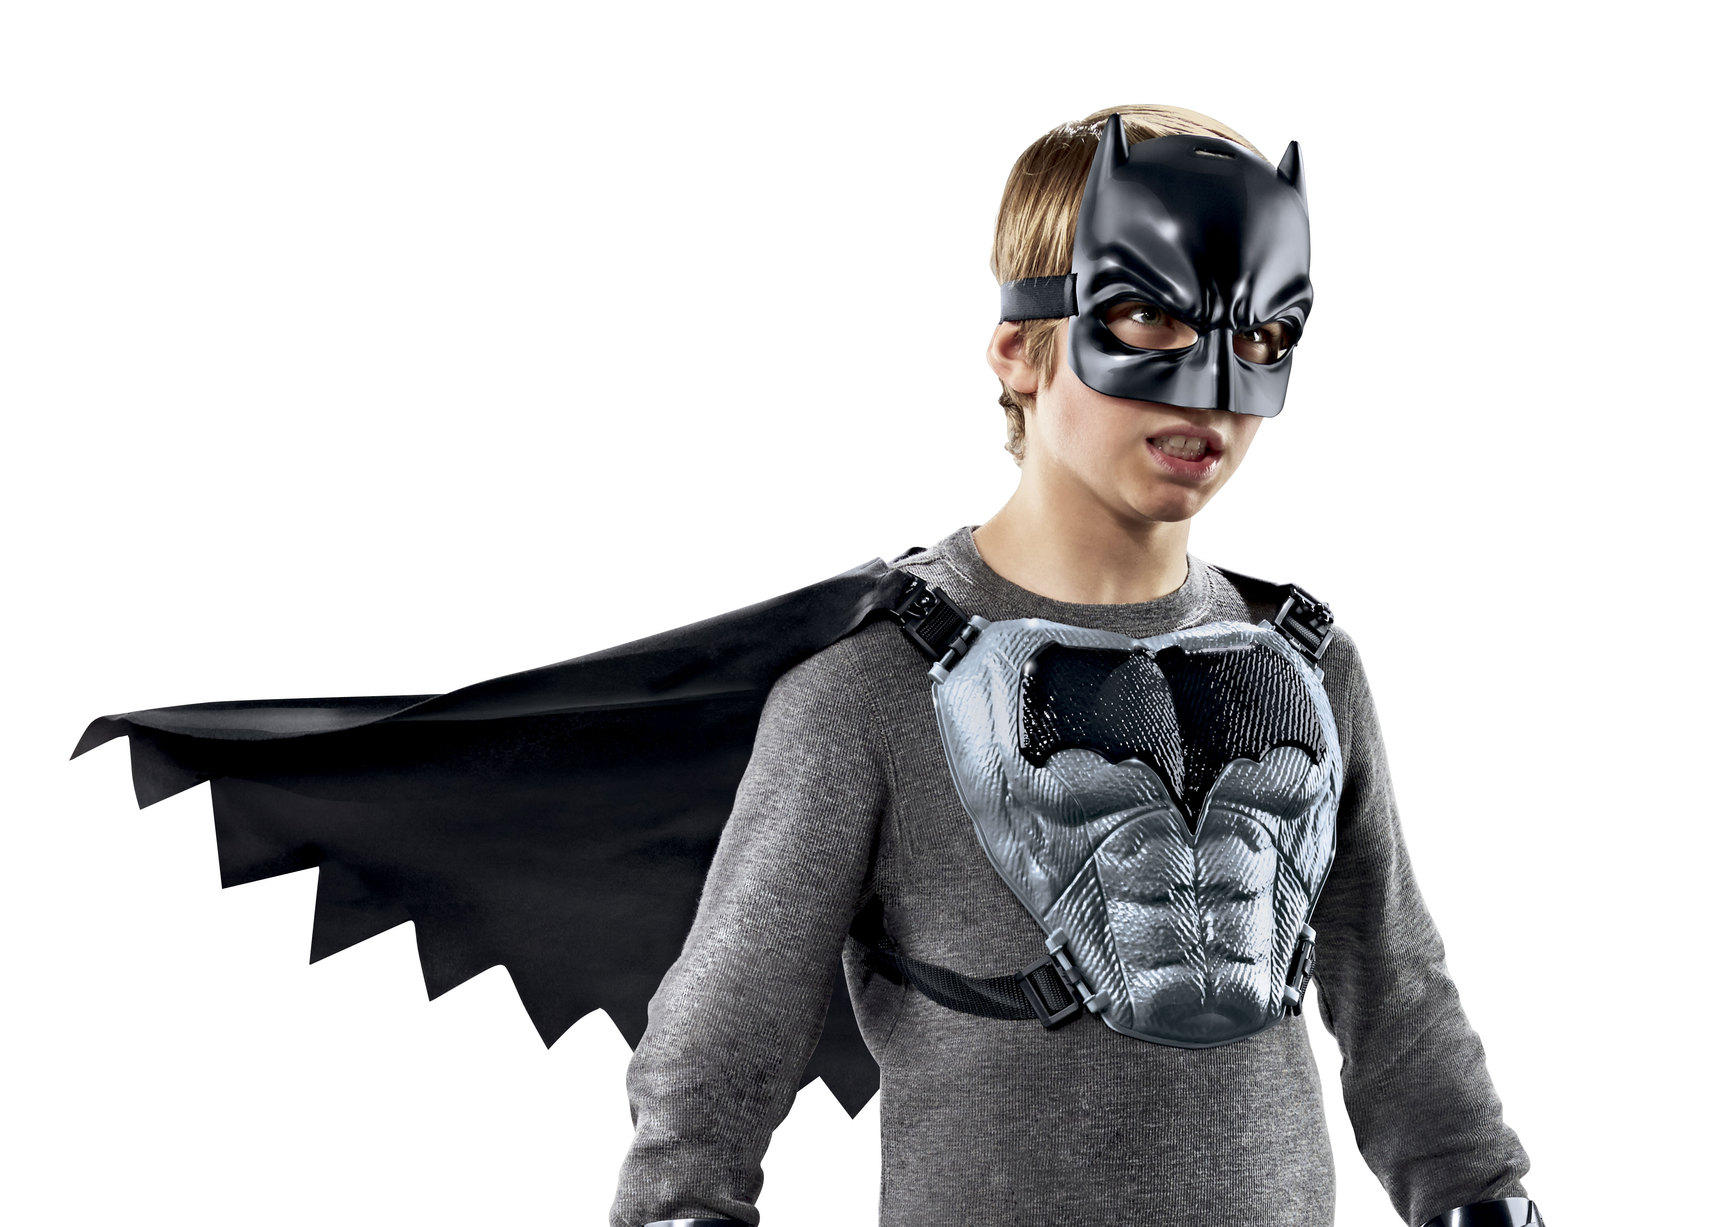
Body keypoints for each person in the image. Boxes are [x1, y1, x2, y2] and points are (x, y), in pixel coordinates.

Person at [611, 104, 1541, 1227]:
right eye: (1148, 314)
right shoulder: (869, 689)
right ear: (1019, 346)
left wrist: (1485, 1200)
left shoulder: (1307, 664)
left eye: (1261, 335)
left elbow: (1398, 1007)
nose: (1210, 387)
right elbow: (714, 1066)